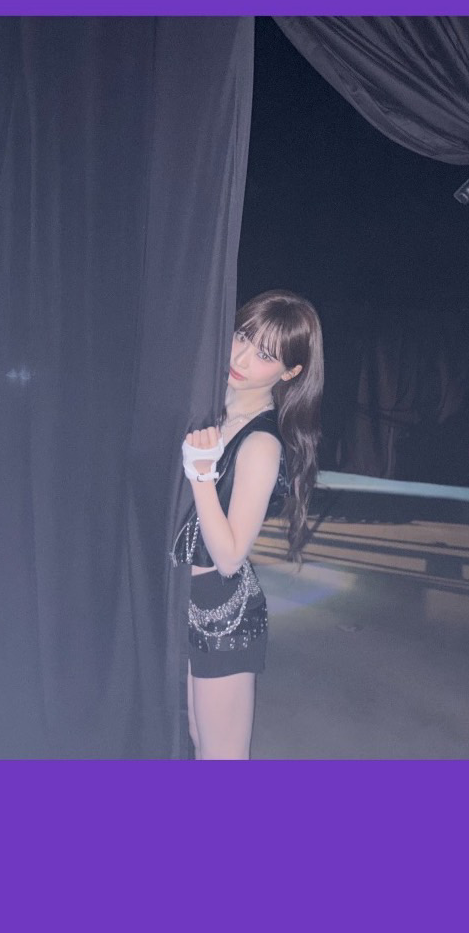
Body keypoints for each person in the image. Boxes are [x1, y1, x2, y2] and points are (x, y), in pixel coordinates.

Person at [174, 290, 324, 759]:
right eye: (242, 336)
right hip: (184, 601)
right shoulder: (213, 405)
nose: (240, 358)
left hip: (223, 614)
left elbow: (230, 556)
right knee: (196, 737)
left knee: (222, 758)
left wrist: (201, 474)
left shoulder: (262, 444)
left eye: (265, 355)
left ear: (290, 372)